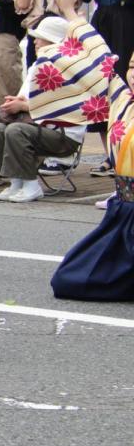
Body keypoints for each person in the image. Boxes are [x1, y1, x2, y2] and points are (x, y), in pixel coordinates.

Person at [0, 15, 87, 203]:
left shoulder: (69, 68)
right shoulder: (38, 64)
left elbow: (61, 106)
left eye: (40, 38)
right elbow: (27, 97)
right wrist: (17, 102)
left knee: (16, 130)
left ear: (53, 41)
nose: (35, 42)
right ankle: (16, 182)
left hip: (63, 134)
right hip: (38, 126)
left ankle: (31, 185)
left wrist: (23, 105)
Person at [51, 61, 134, 301]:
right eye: (131, 66)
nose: (133, 75)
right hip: (124, 213)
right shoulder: (122, 100)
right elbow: (96, 62)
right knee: (69, 279)